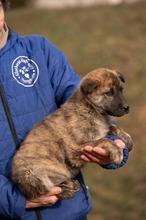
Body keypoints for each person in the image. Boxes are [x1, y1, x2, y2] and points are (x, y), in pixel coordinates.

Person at [0, 0, 129, 219]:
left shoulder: (39, 50)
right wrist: (12, 200)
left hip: (69, 211)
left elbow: (85, 100)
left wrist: (114, 142)